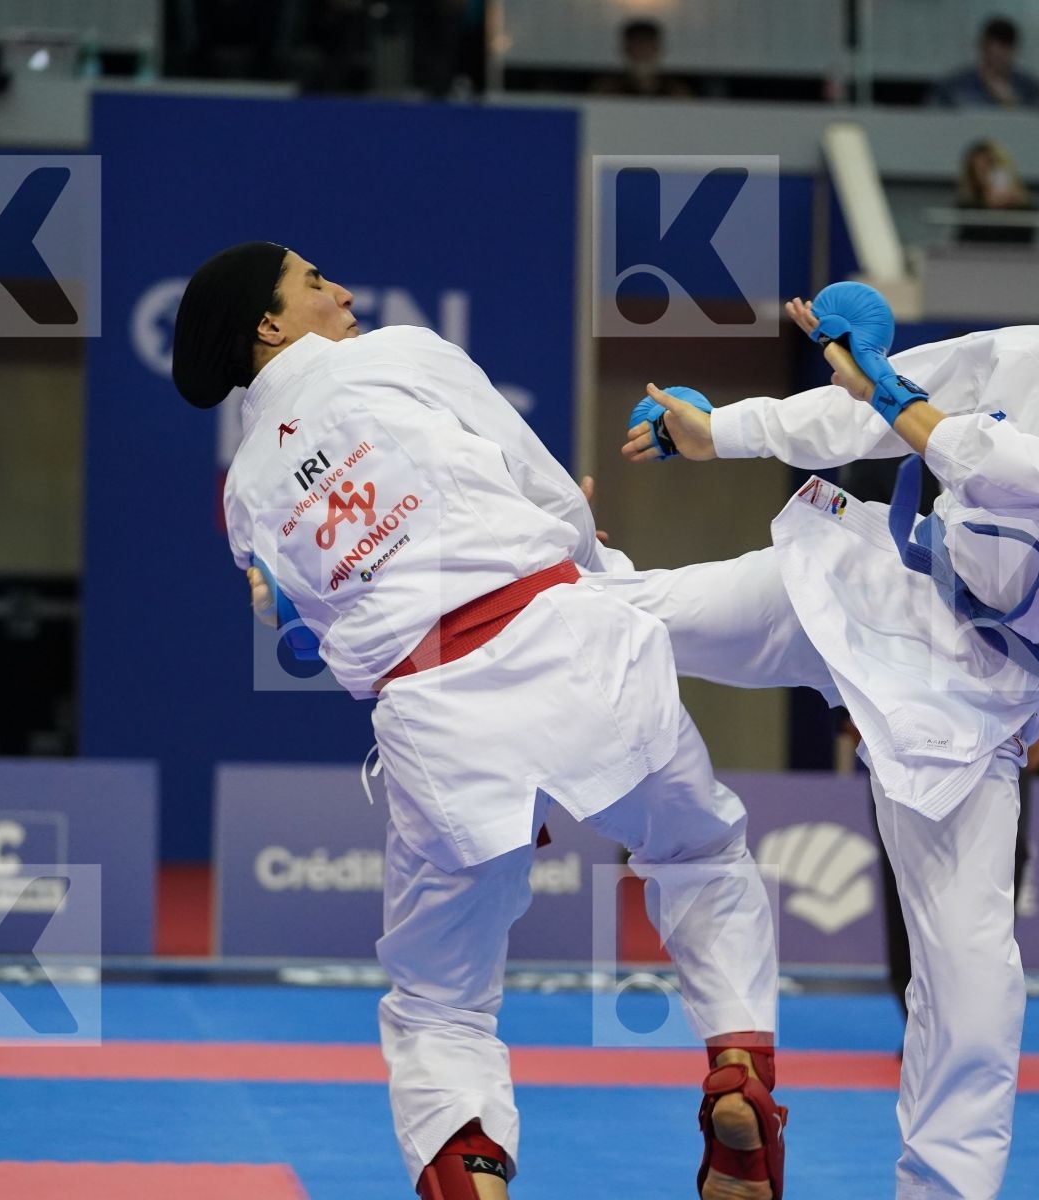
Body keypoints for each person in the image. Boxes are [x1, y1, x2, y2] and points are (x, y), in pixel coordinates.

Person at [613, 149, 1039, 1197]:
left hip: (974, 700)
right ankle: (416, 607)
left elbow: (1008, 470)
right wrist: (720, 431)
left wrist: (887, 387)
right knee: (632, 615)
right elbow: (893, 398)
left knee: (968, 984)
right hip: (879, 586)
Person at [172, 242, 785, 1200]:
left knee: (440, 1003)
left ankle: (470, 1173)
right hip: (561, 636)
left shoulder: (244, 488)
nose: (343, 287)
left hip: (432, 712)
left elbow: (316, 634)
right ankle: (740, 1070)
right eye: (315, 281)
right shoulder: (396, 354)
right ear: (269, 323)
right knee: (698, 853)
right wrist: (574, 550)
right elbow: (545, 487)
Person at [926, 16, 1039, 110]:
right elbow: (932, 119)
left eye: (1006, 50)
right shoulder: (954, 86)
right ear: (982, 47)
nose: (999, 58)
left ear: (1014, 51)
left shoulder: (1028, 86)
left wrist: (1011, 103)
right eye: (994, 51)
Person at [589, 18, 695, 98]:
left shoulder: (676, 91)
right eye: (637, 45)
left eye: (646, 45)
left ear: (657, 49)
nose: (641, 51)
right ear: (626, 49)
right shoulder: (607, 89)